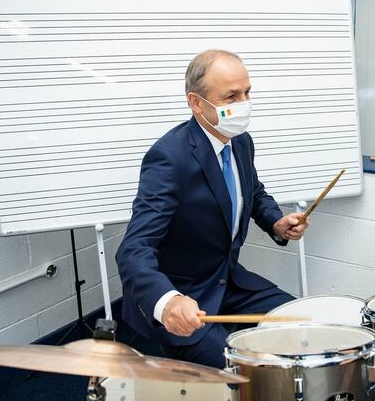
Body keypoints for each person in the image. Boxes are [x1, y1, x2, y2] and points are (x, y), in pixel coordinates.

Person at [115, 50, 309, 368]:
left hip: (230, 283)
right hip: (187, 296)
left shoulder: (241, 141)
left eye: (247, 93)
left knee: (306, 327)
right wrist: (168, 301)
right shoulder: (169, 158)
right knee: (253, 371)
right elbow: (133, 250)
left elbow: (253, 193)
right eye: (232, 95)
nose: (244, 103)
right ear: (196, 103)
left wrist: (276, 221)